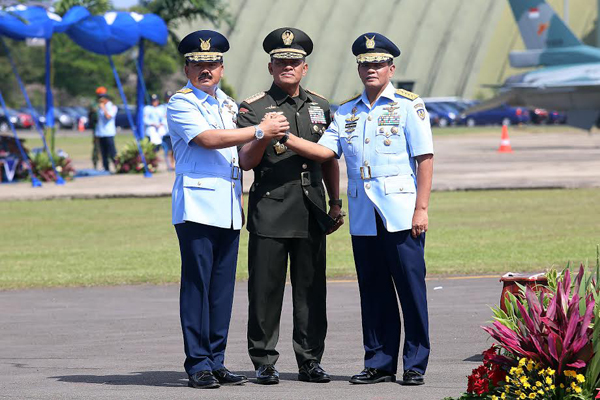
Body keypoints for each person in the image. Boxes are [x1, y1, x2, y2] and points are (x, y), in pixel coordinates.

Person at [283, 32, 434, 386]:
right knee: (373, 289)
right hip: (364, 211)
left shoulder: (409, 105)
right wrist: (285, 137)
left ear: (391, 68)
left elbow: (424, 159)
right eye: (365, 64)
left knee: (410, 289)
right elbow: (326, 152)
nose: (371, 69)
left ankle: (415, 363)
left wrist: (421, 208)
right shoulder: (347, 110)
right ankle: (379, 362)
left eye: (378, 64)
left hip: (399, 208)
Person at [167, 29, 289, 390]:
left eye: (212, 64)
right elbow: (207, 139)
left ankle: (216, 360)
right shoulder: (181, 102)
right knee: (197, 285)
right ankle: (197, 362)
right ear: (187, 68)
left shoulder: (230, 106)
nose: (205, 70)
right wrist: (257, 131)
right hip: (197, 205)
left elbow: (244, 158)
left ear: (222, 67)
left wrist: (263, 137)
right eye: (198, 64)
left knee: (221, 289)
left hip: (229, 204)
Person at [237, 27, 343, 385]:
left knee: (312, 290)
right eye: (280, 62)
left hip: (311, 208)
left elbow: (329, 159)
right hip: (271, 208)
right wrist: (261, 133)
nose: (287, 67)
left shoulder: (321, 106)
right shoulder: (254, 108)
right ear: (270, 67)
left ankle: (310, 360)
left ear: (304, 67)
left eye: (293, 62)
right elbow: (246, 162)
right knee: (265, 291)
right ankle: (265, 360)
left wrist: (335, 202)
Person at [95, 89, 118, 172]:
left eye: (101, 98)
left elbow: (108, 116)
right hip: (101, 133)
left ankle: (116, 166)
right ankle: (106, 168)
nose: (100, 101)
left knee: (112, 152)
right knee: (103, 152)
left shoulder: (112, 107)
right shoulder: (100, 108)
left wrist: (103, 108)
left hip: (109, 133)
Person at [160, 91, 175, 171]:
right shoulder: (162, 107)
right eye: (167, 98)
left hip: (173, 131)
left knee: (174, 150)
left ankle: (173, 164)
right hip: (166, 132)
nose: (169, 99)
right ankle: (169, 164)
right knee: (168, 150)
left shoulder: (176, 106)